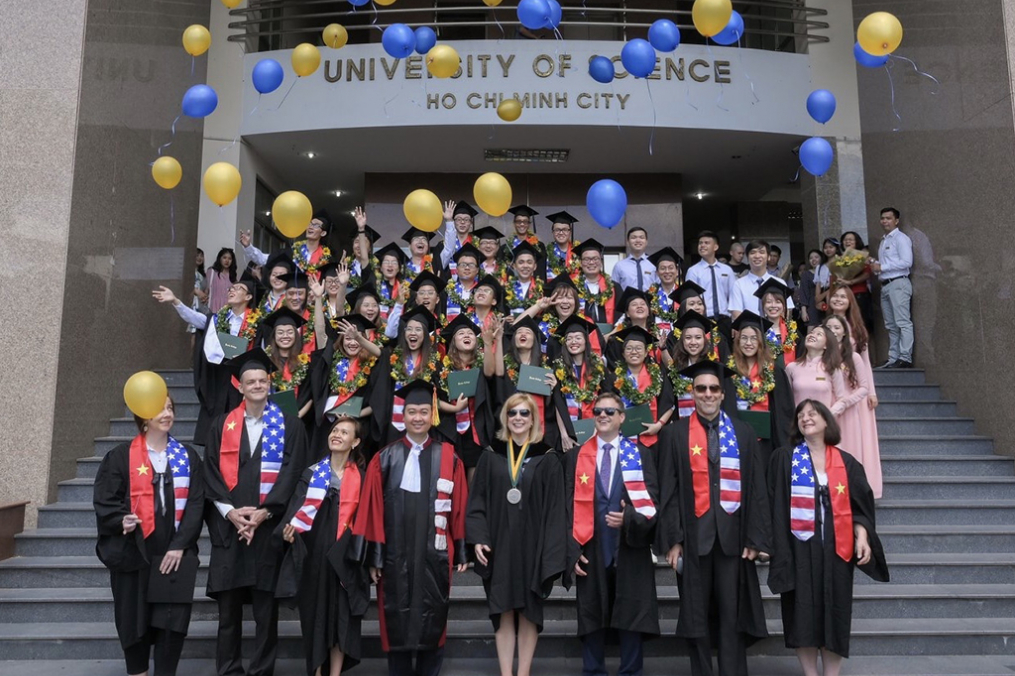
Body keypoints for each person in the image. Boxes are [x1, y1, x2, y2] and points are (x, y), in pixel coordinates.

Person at [656, 360, 771, 676]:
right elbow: (668, 491)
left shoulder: (744, 433)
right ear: (692, 392)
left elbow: (756, 490)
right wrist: (673, 540)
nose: (707, 394)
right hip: (694, 540)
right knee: (696, 616)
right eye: (701, 388)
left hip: (733, 539)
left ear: (723, 394)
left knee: (732, 615)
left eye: (713, 389)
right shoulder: (675, 434)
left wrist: (755, 538)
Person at [351, 379, 469, 676]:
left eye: (423, 412)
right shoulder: (385, 458)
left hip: (436, 555)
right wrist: (374, 557)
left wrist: (462, 547)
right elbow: (372, 509)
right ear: (403, 416)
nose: (418, 418)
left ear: (432, 416)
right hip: (394, 556)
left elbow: (459, 505)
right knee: (396, 619)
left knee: (434, 616)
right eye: (412, 412)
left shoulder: (449, 456)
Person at [202, 349, 307, 676]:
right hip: (230, 530)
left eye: (263, 380)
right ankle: (229, 670)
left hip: (267, 530)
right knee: (228, 614)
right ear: (240, 387)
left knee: (266, 613)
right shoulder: (221, 425)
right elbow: (211, 473)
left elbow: (293, 473)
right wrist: (231, 513)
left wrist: (264, 512)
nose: (258, 385)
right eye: (251, 381)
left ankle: (262, 671)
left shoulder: (289, 426)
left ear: (269, 384)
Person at [768, 400, 889, 675]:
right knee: (802, 615)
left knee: (835, 614)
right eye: (800, 415)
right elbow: (773, 504)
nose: (805, 418)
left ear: (826, 422)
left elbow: (861, 508)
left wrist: (861, 535)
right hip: (798, 549)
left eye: (812, 413)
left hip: (837, 550)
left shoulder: (847, 463)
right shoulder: (784, 459)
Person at [93, 396, 204, 676]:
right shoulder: (121, 457)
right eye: (159, 409)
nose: (167, 414)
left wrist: (180, 546)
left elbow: (196, 504)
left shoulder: (187, 457)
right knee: (134, 621)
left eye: (170, 408)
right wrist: (121, 520)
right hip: (135, 552)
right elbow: (106, 499)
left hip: (174, 553)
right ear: (143, 416)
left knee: (172, 623)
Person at [466, 393, 567, 676]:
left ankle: (522, 672)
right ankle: (505, 673)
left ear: (533, 418)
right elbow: (477, 502)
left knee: (529, 611)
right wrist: (479, 537)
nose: (519, 418)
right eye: (513, 413)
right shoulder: (491, 455)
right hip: (498, 543)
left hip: (532, 546)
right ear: (505, 418)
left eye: (524, 413)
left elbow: (556, 508)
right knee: (503, 610)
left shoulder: (546, 458)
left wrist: (551, 550)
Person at [563, 392, 660, 676]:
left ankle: (631, 671)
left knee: (631, 611)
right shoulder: (576, 457)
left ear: (622, 418)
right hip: (590, 545)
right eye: (598, 411)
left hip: (628, 545)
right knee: (592, 612)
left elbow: (653, 499)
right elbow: (565, 507)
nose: (603, 415)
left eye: (609, 411)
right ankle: (593, 671)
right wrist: (572, 550)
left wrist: (629, 517)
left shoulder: (640, 454)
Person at [279, 416, 371, 676]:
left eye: (345, 432)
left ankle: (335, 673)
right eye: (334, 430)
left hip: (345, 557)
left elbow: (366, 518)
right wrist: (289, 530)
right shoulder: (311, 473)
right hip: (315, 554)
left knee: (342, 616)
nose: (337, 435)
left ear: (355, 442)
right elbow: (296, 509)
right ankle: (317, 671)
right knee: (316, 615)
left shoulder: (362, 478)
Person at [152, 278, 262, 446]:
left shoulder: (258, 323)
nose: (231, 290)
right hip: (218, 380)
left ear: (248, 297)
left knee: (241, 435)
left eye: (238, 288)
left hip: (242, 380)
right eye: (231, 288)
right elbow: (195, 319)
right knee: (216, 433)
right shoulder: (217, 319)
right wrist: (175, 301)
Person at [369, 305, 444, 448]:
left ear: (425, 334)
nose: (412, 332)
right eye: (409, 329)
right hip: (394, 422)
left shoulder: (433, 363)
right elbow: (379, 353)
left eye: (417, 329)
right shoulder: (395, 357)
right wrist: (358, 339)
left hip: (421, 423)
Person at [727, 312, 795, 466]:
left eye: (754, 338)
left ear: (761, 342)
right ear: (738, 341)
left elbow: (784, 411)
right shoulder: (730, 371)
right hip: (736, 440)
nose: (748, 343)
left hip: (766, 440)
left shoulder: (774, 371)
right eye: (744, 338)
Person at [492, 316, 568, 450]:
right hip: (512, 428)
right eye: (519, 332)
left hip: (541, 432)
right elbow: (499, 373)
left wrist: (554, 387)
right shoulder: (507, 365)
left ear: (535, 340)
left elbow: (554, 404)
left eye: (528, 332)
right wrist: (498, 339)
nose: (523, 334)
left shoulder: (544, 370)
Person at [436, 314, 497, 478]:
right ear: (453, 342)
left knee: (474, 478)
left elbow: (490, 372)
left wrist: (488, 342)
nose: (467, 335)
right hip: (451, 430)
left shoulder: (480, 366)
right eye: (461, 334)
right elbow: (433, 401)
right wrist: (455, 408)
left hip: (476, 430)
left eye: (470, 333)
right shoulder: (443, 369)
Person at [821, 316, 874, 492]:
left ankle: (853, 493)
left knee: (851, 452)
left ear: (844, 332)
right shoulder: (821, 358)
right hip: (827, 411)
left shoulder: (854, 357)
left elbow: (864, 387)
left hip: (849, 412)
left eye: (837, 327)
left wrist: (845, 402)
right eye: (829, 327)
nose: (833, 331)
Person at [552, 315, 610, 452]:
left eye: (578, 338)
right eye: (569, 339)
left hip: (595, 429)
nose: (573, 342)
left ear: (586, 340)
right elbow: (558, 404)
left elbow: (605, 399)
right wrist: (564, 434)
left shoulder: (598, 367)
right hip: (568, 431)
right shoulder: (559, 368)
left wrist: (598, 429)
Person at [785, 326, 865, 425]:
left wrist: (827, 416)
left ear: (826, 345)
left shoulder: (832, 369)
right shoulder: (791, 367)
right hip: (797, 424)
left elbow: (841, 399)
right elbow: (786, 399)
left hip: (822, 425)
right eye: (811, 333)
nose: (812, 335)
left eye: (819, 334)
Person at [611, 326, 673, 448]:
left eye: (639, 348)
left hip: (653, 439)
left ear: (646, 353)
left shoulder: (657, 374)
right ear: (623, 353)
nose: (634, 352)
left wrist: (658, 425)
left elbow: (669, 404)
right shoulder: (614, 378)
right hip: (621, 439)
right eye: (629, 348)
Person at [667, 311, 736, 420]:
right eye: (688, 338)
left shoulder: (716, 368)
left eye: (698, 337)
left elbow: (727, 402)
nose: (693, 342)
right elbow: (669, 401)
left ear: (705, 340)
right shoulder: (676, 368)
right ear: (682, 341)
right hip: (683, 427)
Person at [873, 207, 914, 368]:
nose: (885, 221)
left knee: (902, 322)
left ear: (896, 221)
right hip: (885, 285)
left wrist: (882, 267)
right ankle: (893, 357)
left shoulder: (901, 238)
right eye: (883, 218)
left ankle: (905, 357)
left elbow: (906, 262)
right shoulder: (884, 240)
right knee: (890, 324)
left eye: (888, 218)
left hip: (898, 283)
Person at [240, 210, 334, 279]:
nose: (310, 227)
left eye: (316, 225)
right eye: (309, 224)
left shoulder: (326, 259)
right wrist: (248, 246)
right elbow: (264, 259)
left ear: (323, 233)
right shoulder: (292, 252)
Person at [262, 307, 315, 421]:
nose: (285, 336)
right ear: (274, 337)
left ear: (296, 335)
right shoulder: (266, 362)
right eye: (280, 332)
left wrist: (296, 418)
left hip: (297, 420)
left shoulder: (304, 363)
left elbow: (309, 396)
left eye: (290, 332)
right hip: (268, 419)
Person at [686, 231, 736, 340]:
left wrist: (735, 322)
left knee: (726, 354)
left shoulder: (727, 270)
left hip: (725, 319)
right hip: (704, 319)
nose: (702, 245)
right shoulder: (693, 271)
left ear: (716, 246)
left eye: (706, 243)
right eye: (700, 243)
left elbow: (733, 297)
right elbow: (691, 298)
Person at [730, 240, 794, 320]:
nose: (757, 256)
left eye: (761, 252)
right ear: (747, 257)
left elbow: (788, 311)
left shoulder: (779, 283)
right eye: (753, 253)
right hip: (749, 330)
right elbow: (736, 313)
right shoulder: (738, 284)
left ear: (768, 257)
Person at [755, 278, 799, 367]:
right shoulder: (758, 331)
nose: (773, 305)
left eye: (778, 302)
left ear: (784, 306)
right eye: (768, 302)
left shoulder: (793, 331)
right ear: (763, 306)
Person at [574, 239, 619, 325]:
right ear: (580, 263)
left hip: (608, 336)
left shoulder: (614, 287)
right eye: (586, 259)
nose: (591, 262)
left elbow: (621, 315)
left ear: (601, 262)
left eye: (595, 259)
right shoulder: (573, 287)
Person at [837, 231, 874, 332]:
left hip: (859, 294)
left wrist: (851, 281)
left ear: (856, 242)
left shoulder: (862, 256)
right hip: (844, 295)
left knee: (860, 324)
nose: (847, 242)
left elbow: (867, 274)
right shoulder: (839, 258)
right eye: (845, 240)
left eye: (850, 239)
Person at [435, 200, 478, 278]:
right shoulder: (442, 245)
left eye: (466, 219)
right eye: (458, 219)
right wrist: (449, 221)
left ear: (471, 224)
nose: (462, 222)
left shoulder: (476, 244)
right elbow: (442, 263)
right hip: (449, 286)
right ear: (454, 222)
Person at [647, 247, 683, 336]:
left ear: (677, 271)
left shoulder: (684, 293)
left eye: (671, 268)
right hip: (656, 339)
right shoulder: (649, 295)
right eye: (663, 268)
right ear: (657, 272)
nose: (667, 271)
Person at [443, 243, 483, 321]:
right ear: (457, 269)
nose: (467, 268)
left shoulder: (482, 291)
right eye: (463, 265)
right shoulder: (446, 292)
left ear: (477, 270)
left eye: (471, 265)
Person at [503, 241, 545, 316]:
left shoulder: (541, 289)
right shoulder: (506, 288)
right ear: (514, 266)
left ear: (535, 266)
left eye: (529, 262)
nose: (525, 266)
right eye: (521, 262)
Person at [611, 227, 658, 292]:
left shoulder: (654, 264)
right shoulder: (619, 266)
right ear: (627, 242)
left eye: (641, 237)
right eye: (634, 237)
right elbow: (614, 289)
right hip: (627, 301)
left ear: (646, 242)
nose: (638, 240)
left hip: (650, 301)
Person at [373, 243, 408, 323]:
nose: (390, 265)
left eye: (394, 262)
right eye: (386, 262)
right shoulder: (374, 287)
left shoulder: (404, 290)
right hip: (377, 327)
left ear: (399, 268)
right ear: (381, 268)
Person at [544, 211, 581, 282]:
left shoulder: (578, 252)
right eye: (557, 230)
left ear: (570, 232)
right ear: (553, 232)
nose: (561, 233)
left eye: (565, 230)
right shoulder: (546, 253)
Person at [206, 248, 239, 313]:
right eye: (224, 258)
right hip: (213, 307)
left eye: (229, 259)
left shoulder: (232, 275)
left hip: (228, 309)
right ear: (220, 258)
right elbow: (206, 289)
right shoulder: (212, 272)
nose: (227, 261)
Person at [799, 249, 824, 330]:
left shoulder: (826, 272)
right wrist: (804, 311)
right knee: (811, 330)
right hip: (812, 306)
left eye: (816, 257)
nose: (813, 260)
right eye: (811, 258)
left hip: (825, 305)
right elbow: (803, 293)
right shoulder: (806, 274)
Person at [189, 248, 211, 340]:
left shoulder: (202, 274)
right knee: (192, 332)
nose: (199, 258)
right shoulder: (189, 272)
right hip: (192, 305)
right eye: (197, 255)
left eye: (201, 255)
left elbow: (206, 289)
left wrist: (205, 295)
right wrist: (197, 291)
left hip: (202, 305)